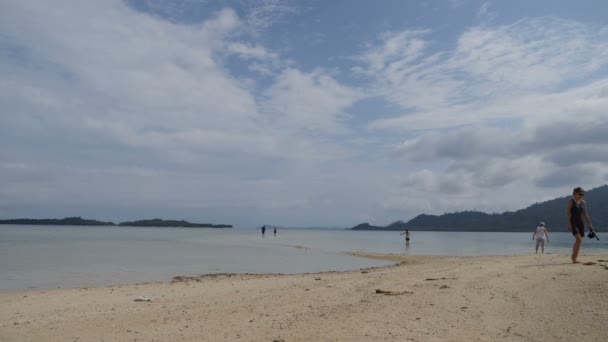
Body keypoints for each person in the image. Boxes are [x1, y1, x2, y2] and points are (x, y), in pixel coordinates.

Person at [567, 187, 594, 263]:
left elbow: (585, 214)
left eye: (583, 194)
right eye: (580, 194)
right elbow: (568, 214)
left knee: (579, 241)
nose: (581, 195)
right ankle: (574, 258)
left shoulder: (584, 203)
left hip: (581, 223)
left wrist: (590, 224)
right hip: (573, 222)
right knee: (579, 240)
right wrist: (569, 224)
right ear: (575, 193)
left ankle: (574, 257)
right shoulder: (571, 202)